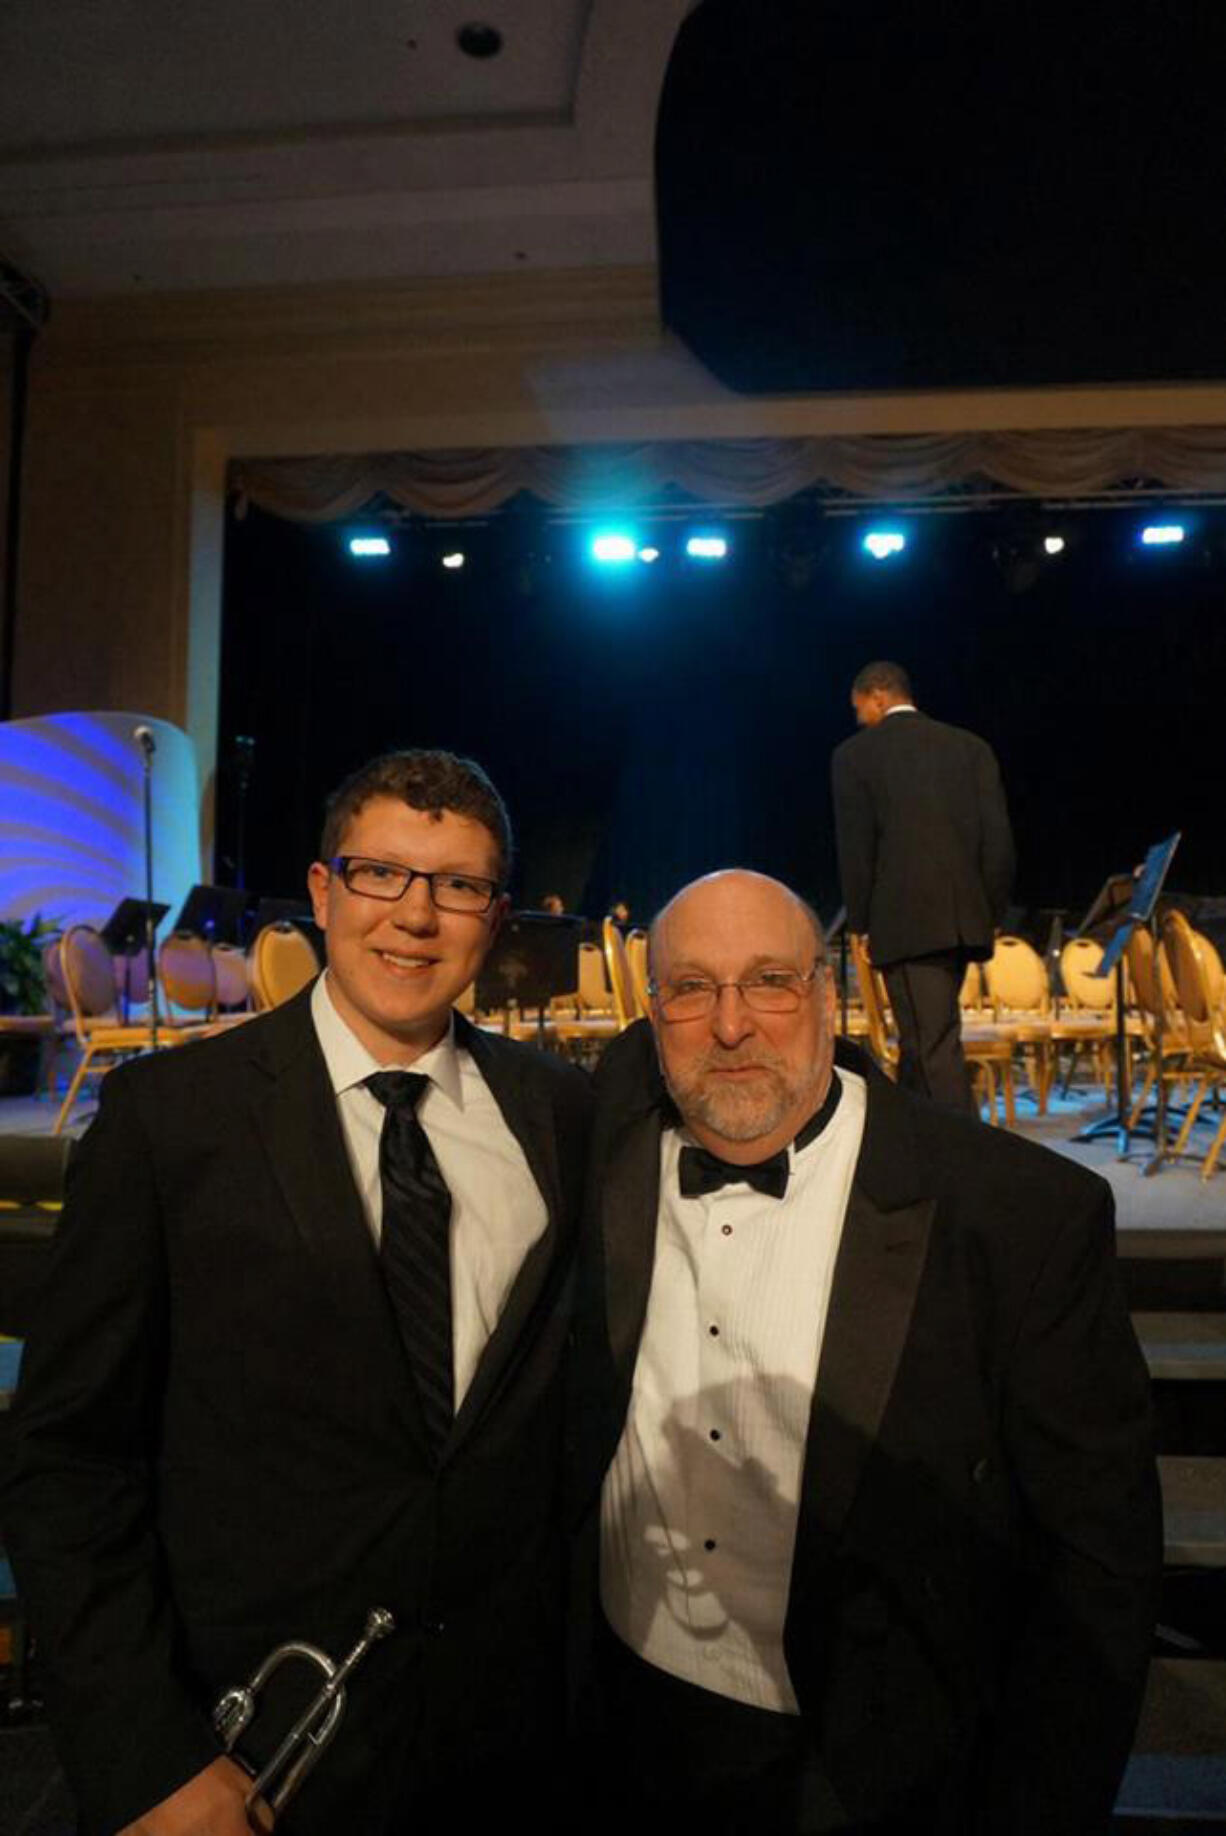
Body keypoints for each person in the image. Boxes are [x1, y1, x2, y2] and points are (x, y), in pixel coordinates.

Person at [4, 749, 591, 1836]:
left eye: (456, 885)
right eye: (379, 874)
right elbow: (67, 1462)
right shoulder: (166, 1122)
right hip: (256, 1747)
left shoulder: (558, 1114)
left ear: (495, 918)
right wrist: (148, 1758)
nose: (414, 916)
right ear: (323, 893)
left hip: (509, 1747)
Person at [570, 868, 1160, 1835]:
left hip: (871, 1764)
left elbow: (1098, 1569)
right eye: (691, 989)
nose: (730, 1026)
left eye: (769, 981)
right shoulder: (604, 1154)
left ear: (829, 995)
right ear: (651, 1012)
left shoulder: (1016, 1217)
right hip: (627, 1725)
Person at [830, 661, 1015, 1110]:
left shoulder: (856, 755)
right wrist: (988, 916)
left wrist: (861, 924)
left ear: (878, 696)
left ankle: (964, 1162)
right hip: (963, 923)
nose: (859, 719)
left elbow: (857, 850)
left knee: (932, 1049)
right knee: (923, 1041)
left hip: (907, 923)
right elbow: (999, 845)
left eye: (861, 709)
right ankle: (915, 1149)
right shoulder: (971, 748)